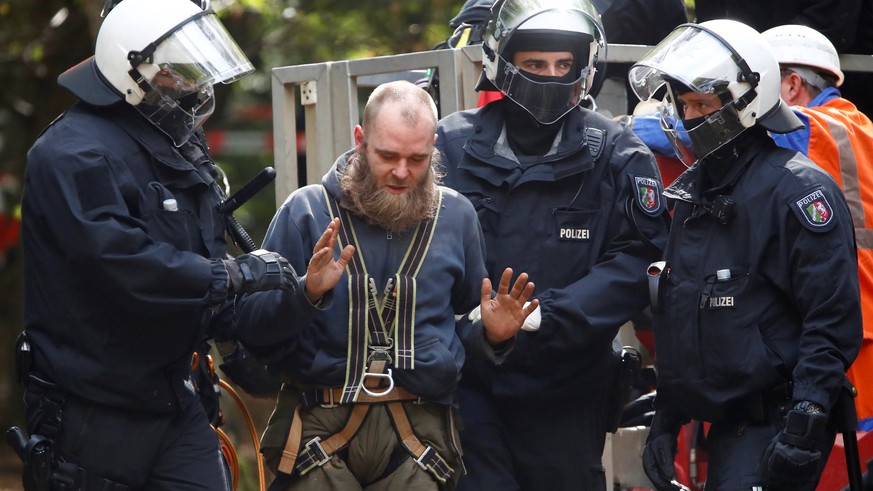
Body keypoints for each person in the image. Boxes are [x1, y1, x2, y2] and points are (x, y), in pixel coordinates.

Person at [15, 0, 300, 489]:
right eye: (177, 74)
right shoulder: (71, 153)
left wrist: (262, 317)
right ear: (133, 74)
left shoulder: (174, 147)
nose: (193, 87)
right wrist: (233, 275)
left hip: (175, 399)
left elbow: (205, 254)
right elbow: (121, 264)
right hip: (93, 412)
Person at [235, 80, 538, 490]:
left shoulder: (457, 216)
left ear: (433, 146)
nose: (401, 172)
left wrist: (493, 336)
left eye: (418, 158)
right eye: (388, 155)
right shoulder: (305, 211)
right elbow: (252, 329)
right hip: (317, 429)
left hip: (420, 436)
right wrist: (307, 293)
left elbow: (461, 334)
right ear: (361, 141)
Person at [435, 0, 672, 488]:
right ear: (503, 63)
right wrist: (475, 326)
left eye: (564, 65)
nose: (552, 76)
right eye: (535, 65)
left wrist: (550, 314)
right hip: (471, 378)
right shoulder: (451, 144)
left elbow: (641, 257)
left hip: (569, 383)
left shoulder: (617, 151)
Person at [628, 18, 863, 490]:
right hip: (720, 421)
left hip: (779, 421)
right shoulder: (695, 192)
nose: (692, 118)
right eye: (685, 104)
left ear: (745, 104)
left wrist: (807, 418)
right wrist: (667, 420)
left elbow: (831, 319)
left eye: (704, 104)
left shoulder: (796, 191)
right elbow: (679, 310)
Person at [762, 23, 873, 433]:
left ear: (791, 86)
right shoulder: (856, 124)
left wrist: (637, 127)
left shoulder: (812, 127)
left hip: (851, 313)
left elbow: (720, 131)